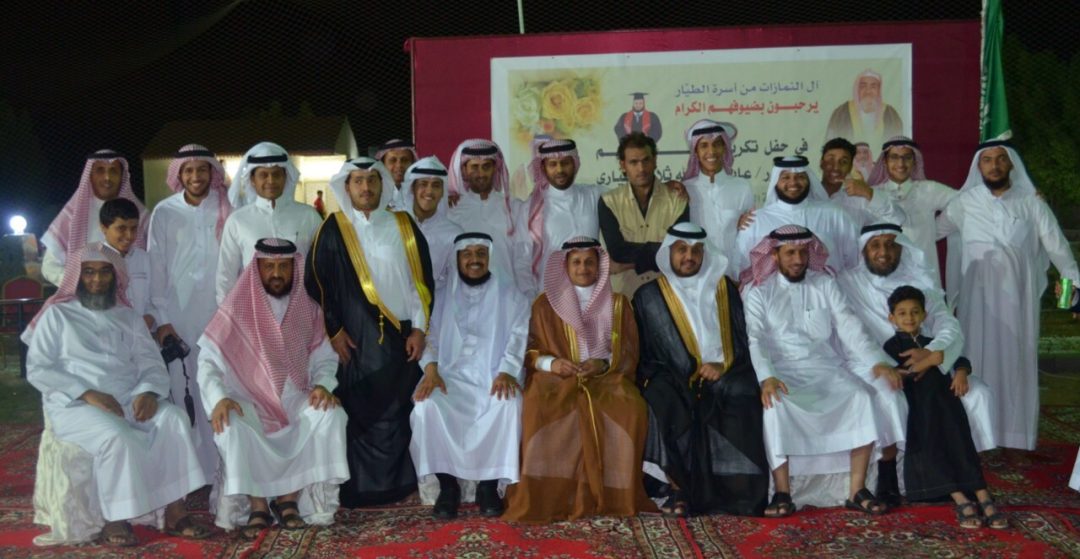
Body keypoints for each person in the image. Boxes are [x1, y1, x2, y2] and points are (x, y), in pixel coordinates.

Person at [24, 243, 209, 546]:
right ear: (77, 277)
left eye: (104, 272)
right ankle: (116, 519)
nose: (96, 280)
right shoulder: (57, 316)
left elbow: (151, 363)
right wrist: (88, 394)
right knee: (118, 436)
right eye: (89, 272)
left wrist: (147, 392)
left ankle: (176, 511)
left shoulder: (129, 317)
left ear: (115, 277)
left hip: (129, 398)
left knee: (174, 419)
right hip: (76, 406)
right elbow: (39, 368)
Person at [741, 226, 906, 516]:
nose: (798, 259)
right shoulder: (759, 292)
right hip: (783, 372)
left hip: (826, 368)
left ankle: (857, 490)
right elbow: (755, 339)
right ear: (774, 255)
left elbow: (849, 326)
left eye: (803, 252)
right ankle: (782, 492)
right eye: (790, 253)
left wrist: (877, 361)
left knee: (861, 398)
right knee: (775, 405)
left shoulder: (825, 284)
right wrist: (766, 377)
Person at [198, 238, 349, 539]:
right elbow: (208, 361)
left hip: (294, 393)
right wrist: (219, 398)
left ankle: (288, 501)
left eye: (283, 266)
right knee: (234, 424)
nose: (277, 273)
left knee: (330, 415)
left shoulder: (308, 307)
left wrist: (323, 385)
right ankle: (258, 506)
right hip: (247, 398)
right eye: (269, 266)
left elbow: (324, 357)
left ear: (295, 268)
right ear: (257, 268)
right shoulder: (236, 308)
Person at [305, 157, 434, 507]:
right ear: (346, 187)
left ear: (383, 185)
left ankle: (400, 485)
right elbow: (317, 284)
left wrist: (419, 329)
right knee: (360, 410)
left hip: (400, 337)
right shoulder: (333, 228)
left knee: (397, 411)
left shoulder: (403, 224)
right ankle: (359, 488)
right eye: (358, 181)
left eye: (372, 180)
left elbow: (420, 283)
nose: (366, 187)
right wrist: (334, 330)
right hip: (355, 339)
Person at [837, 223, 997, 503]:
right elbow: (851, 332)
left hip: (929, 361)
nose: (884, 252)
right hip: (871, 362)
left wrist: (932, 354)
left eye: (891, 244)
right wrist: (883, 364)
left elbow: (948, 325)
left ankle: (962, 473)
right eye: (875, 245)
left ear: (902, 248)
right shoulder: (848, 282)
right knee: (890, 398)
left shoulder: (919, 278)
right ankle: (889, 478)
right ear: (863, 250)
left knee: (978, 394)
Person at [938, 141, 1080, 450]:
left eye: (1001, 159)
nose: (994, 165)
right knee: (975, 358)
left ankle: (1016, 436)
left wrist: (1075, 289)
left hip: (1019, 302)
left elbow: (1058, 248)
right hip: (977, 301)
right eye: (987, 160)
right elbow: (931, 232)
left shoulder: (1031, 203)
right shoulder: (965, 202)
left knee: (1017, 363)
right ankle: (976, 434)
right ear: (979, 166)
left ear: (1012, 164)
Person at [503, 238, 656, 522]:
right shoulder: (545, 304)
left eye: (589, 262)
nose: (583, 268)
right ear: (566, 266)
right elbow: (530, 349)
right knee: (538, 406)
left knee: (631, 407)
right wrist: (552, 363)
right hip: (556, 378)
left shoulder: (618, 304)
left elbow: (629, 351)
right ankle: (551, 494)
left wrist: (603, 364)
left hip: (606, 378)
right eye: (576, 262)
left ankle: (614, 494)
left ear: (599, 266)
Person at [633, 223, 769, 517]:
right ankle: (676, 488)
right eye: (681, 249)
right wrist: (684, 373)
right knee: (659, 398)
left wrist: (723, 364)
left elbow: (742, 339)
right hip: (673, 375)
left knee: (744, 392)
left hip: (725, 371)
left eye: (696, 251)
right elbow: (646, 354)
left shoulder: (724, 289)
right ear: (669, 252)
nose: (689, 257)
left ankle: (738, 493)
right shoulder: (648, 296)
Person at [410, 232, 529, 519]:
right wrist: (431, 370)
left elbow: (518, 337)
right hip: (448, 377)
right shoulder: (439, 297)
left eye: (480, 254)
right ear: (457, 259)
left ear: (490, 259)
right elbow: (429, 337)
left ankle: (488, 486)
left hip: (493, 376)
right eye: (467, 254)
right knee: (427, 406)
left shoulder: (512, 296)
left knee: (507, 404)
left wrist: (507, 371)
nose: (474, 260)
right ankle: (448, 486)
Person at [882, 285, 1005, 529]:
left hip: (946, 401)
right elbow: (897, 373)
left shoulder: (931, 342)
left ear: (924, 315)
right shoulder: (890, 347)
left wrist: (960, 373)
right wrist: (927, 363)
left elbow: (959, 358)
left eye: (915, 312)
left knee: (961, 442)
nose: (909, 318)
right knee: (932, 443)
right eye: (902, 313)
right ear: (892, 318)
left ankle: (982, 495)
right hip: (919, 405)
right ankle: (961, 499)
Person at [147, 144, 232, 479]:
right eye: (188, 170)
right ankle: (189, 474)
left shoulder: (228, 208)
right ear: (179, 175)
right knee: (183, 392)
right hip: (178, 316)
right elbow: (156, 266)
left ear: (212, 172)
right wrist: (163, 320)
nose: (196, 176)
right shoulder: (164, 212)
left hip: (220, 314)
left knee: (217, 386)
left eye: (202, 169)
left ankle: (221, 471)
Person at [216, 142, 322, 304]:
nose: (271, 180)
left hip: (302, 308)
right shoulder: (237, 221)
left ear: (285, 177)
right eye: (263, 175)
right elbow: (226, 276)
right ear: (252, 179)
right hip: (253, 309)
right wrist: (228, 314)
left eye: (276, 174)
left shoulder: (309, 216)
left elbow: (323, 268)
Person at [735, 156, 860, 279]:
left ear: (809, 180)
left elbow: (855, 261)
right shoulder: (755, 220)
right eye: (785, 177)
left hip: (826, 290)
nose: (793, 182)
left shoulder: (835, 215)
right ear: (775, 181)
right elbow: (742, 266)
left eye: (800, 177)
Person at [598, 132, 688, 296]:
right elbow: (617, 251)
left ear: (655, 161)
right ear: (623, 165)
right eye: (633, 162)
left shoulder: (677, 200)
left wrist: (628, 264)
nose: (641, 168)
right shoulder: (609, 201)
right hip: (624, 295)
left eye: (646, 160)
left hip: (667, 295)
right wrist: (662, 251)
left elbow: (679, 253)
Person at [41, 149, 149, 286]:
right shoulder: (71, 215)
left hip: (132, 294)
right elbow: (50, 267)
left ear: (122, 176)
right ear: (90, 175)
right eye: (100, 170)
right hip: (84, 296)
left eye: (113, 171)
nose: (107, 177)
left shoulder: (141, 215)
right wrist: (83, 286)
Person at [867, 136, 960, 285]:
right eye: (894, 157)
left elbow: (963, 203)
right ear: (885, 162)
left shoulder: (928, 189)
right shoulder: (872, 194)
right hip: (885, 277)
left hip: (922, 274)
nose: (901, 163)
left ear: (915, 161)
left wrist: (935, 230)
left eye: (907, 157)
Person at [446, 139, 531, 294]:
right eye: (474, 167)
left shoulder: (514, 208)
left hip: (506, 295)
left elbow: (522, 258)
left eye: (486, 167)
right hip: (464, 297)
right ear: (464, 170)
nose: (481, 173)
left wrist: (527, 294)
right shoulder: (452, 210)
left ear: (495, 168)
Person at [522, 138, 602, 296]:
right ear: (543, 167)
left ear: (575, 163)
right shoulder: (532, 208)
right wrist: (531, 298)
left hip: (591, 295)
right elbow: (522, 259)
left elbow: (627, 197)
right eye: (553, 164)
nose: (560, 170)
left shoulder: (594, 195)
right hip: (550, 294)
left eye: (565, 163)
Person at [681, 120, 754, 273]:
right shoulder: (685, 190)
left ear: (725, 149)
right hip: (697, 273)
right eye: (704, 145)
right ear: (696, 152)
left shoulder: (742, 187)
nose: (711, 151)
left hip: (733, 273)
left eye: (717, 144)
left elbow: (750, 234)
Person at [401, 156, 462, 289]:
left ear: (442, 192)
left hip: (436, 300)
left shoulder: (455, 235)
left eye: (436, 185)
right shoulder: (395, 225)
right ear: (412, 188)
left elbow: (455, 282)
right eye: (423, 184)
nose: (429, 191)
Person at [819, 138, 907, 228]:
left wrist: (869, 192)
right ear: (821, 163)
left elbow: (898, 219)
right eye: (831, 160)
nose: (836, 167)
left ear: (850, 168)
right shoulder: (810, 195)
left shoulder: (858, 201)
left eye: (844, 162)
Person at [825, 69, 903, 150]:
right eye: (863, 86)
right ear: (857, 89)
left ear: (879, 90)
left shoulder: (891, 114)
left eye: (873, 87)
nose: (868, 91)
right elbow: (831, 146)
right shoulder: (841, 113)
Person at [375, 138, 418, 209]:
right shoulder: (374, 193)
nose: (399, 165)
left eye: (404, 160)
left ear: (412, 164)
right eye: (393, 160)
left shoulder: (421, 192)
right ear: (382, 165)